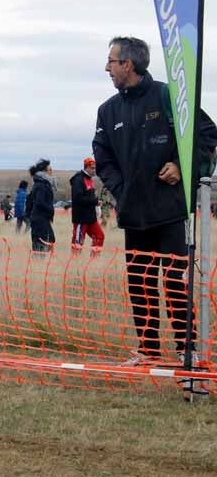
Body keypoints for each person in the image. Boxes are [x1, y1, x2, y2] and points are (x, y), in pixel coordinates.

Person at [93, 36, 217, 372]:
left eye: (111, 61)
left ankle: (185, 348)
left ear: (128, 65)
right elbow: (102, 159)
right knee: (140, 283)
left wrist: (182, 165)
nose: (107, 68)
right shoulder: (108, 110)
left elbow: (208, 136)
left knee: (175, 281)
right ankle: (148, 350)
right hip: (134, 214)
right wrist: (123, 190)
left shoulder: (169, 96)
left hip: (170, 210)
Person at [70, 157, 105, 255]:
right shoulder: (78, 179)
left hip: (91, 218)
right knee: (78, 242)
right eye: (92, 168)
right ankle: (74, 262)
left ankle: (93, 260)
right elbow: (78, 198)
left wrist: (96, 204)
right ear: (86, 168)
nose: (94, 170)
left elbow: (89, 197)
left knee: (100, 236)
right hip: (81, 218)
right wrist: (95, 201)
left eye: (95, 168)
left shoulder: (90, 180)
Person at [29, 160, 56, 254]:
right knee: (41, 243)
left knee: (49, 239)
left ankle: (40, 262)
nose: (52, 171)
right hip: (39, 218)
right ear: (44, 172)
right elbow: (40, 202)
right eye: (50, 170)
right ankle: (37, 263)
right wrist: (50, 209)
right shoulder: (41, 185)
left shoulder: (43, 184)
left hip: (42, 218)